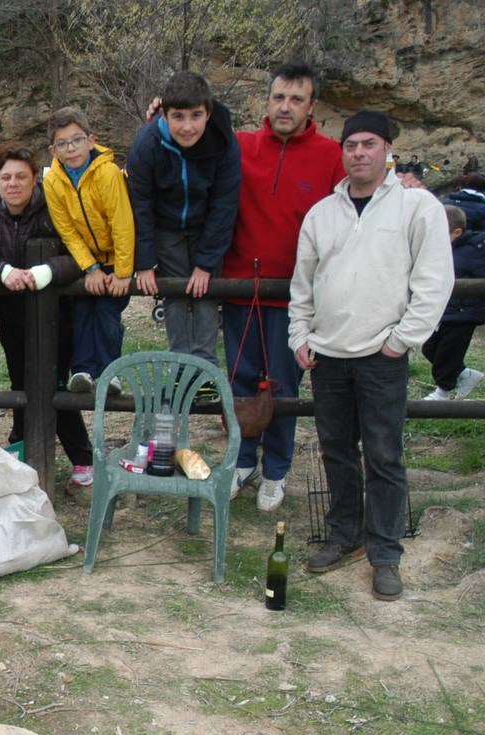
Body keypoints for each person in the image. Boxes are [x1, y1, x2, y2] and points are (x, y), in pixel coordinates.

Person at [289, 110, 453, 602]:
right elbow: (304, 284)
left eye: (368, 144)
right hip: (329, 354)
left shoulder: (416, 208)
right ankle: (345, 534)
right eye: (351, 145)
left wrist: (402, 339)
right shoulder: (322, 213)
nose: (358, 153)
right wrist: (301, 335)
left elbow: (433, 279)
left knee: (384, 454)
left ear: (387, 149)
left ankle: (385, 552)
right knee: (336, 450)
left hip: (382, 352)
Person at [220, 62, 346, 513]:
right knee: (241, 380)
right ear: (266, 102)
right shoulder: (241, 145)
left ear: (312, 106)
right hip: (239, 289)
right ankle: (240, 461)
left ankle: (276, 470)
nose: (285, 107)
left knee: (284, 386)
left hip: (296, 295)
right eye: (278, 98)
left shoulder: (331, 154)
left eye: (296, 99)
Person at [0, 141, 96, 487]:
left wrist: (46, 271)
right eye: (6, 177)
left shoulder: (54, 210)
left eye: (21, 176)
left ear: (35, 178)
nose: (13, 183)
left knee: (52, 383)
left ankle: (82, 456)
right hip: (12, 316)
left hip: (56, 316)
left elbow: (80, 252)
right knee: (20, 381)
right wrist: (1, 271)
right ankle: (25, 446)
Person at [128, 71, 241, 374]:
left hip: (207, 224)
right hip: (166, 227)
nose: (188, 126)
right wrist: (145, 261)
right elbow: (140, 205)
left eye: (196, 116)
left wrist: (206, 262)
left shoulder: (224, 141)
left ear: (208, 113)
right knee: (176, 292)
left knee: (205, 291)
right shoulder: (146, 145)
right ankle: (179, 365)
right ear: (163, 114)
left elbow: (225, 203)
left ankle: (205, 369)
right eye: (178, 116)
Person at [41, 105, 135, 398]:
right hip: (87, 261)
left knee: (107, 310)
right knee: (81, 308)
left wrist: (121, 272)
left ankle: (111, 371)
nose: (71, 148)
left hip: (117, 258)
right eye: (63, 143)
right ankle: (82, 370)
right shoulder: (53, 181)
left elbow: (122, 223)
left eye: (77, 140)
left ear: (91, 140)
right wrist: (90, 268)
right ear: (53, 150)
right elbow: (67, 229)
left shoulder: (106, 173)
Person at [421, 205, 485, 401]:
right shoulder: (441, 249)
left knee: (447, 354)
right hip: (444, 310)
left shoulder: (473, 252)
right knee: (429, 348)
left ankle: (442, 391)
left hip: (464, 312)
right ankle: (466, 375)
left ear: (457, 232)